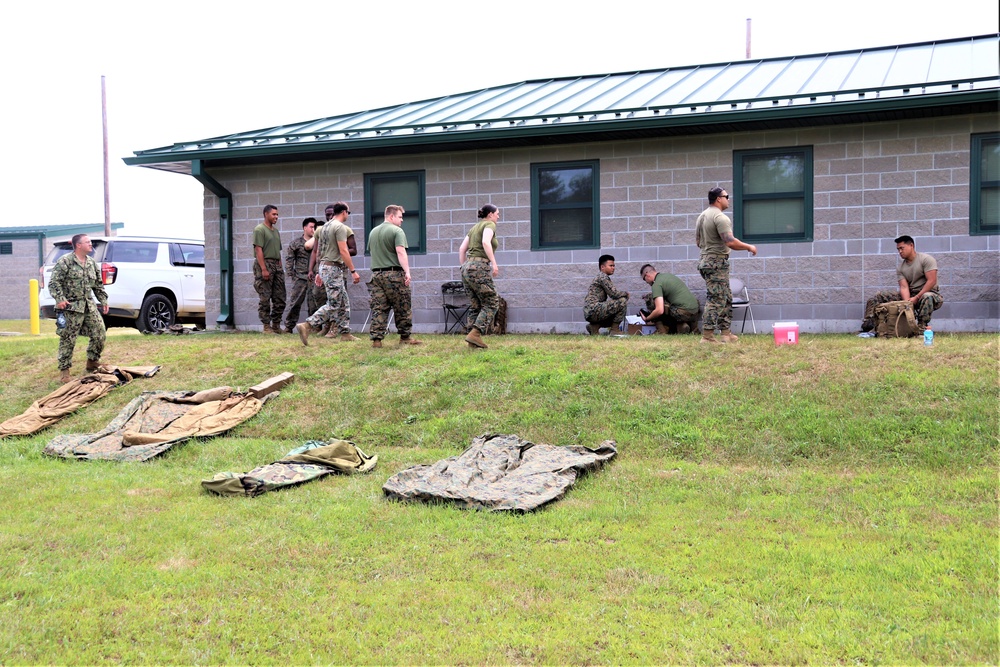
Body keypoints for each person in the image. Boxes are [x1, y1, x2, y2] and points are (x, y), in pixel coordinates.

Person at [694, 187, 757, 344]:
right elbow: (730, 242)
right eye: (726, 196)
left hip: (706, 261)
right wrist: (748, 247)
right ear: (718, 199)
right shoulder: (720, 217)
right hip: (716, 263)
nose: (728, 199)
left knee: (726, 297)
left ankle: (726, 334)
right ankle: (707, 336)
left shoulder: (701, 217)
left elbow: (698, 242)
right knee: (716, 298)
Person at [296, 202, 360, 345]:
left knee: (344, 301)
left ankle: (345, 333)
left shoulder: (322, 228)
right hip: (333, 268)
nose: (348, 215)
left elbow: (318, 251)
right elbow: (344, 251)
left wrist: (319, 271)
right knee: (334, 303)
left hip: (325, 267)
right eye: (348, 213)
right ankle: (307, 325)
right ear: (343, 212)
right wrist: (353, 271)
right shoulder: (340, 227)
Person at [48, 234, 109, 383]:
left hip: (88, 305)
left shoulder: (92, 263)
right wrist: (60, 299)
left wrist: (103, 300)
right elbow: (54, 283)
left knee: (100, 333)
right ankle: (64, 371)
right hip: (71, 307)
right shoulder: (65, 262)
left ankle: (92, 362)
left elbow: (98, 285)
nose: (90, 244)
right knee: (68, 339)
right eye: (87, 242)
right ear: (78, 245)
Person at [365, 204, 422, 348]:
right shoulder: (397, 231)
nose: (402, 220)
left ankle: (377, 340)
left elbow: (372, 252)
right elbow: (401, 252)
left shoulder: (373, 232)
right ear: (391, 216)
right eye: (400, 217)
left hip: (376, 275)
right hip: (394, 274)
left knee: (379, 307)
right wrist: (407, 272)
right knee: (402, 305)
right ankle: (405, 337)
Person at [862, 235, 943, 332]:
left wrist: (917, 297)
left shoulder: (926, 259)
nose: (900, 251)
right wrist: (907, 303)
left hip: (930, 294)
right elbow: (904, 287)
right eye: (898, 249)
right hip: (911, 295)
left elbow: (931, 281)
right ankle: (870, 326)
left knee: (927, 296)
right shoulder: (900, 267)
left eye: (902, 248)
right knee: (878, 296)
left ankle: (921, 328)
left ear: (911, 246)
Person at [458, 204, 502, 349]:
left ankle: (472, 340)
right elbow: (485, 242)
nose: (498, 216)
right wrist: (494, 264)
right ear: (490, 214)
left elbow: (462, 249)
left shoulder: (473, 228)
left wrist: (465, 266)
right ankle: (475, 334)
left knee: (476, 304)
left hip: (466, 267)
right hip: (479, 266)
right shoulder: (489, 224)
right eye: (497, 213)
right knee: (492, 301)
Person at [252, 204, 286, 333]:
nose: (276, 216)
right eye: (274, 214)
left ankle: (276, 325)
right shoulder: (259, 229)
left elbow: (278, 251)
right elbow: (258, 249)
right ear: (266, 214)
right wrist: (264, 269)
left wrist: (280, 266)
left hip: (276, 265)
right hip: (264, 264)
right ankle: (266, 326)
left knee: (280, 297)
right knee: (265, 297)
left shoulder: (275, 231)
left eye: (277, 214)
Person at [639, 264, 699, 334]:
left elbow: (659, 310)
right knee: (668, 305)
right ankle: (683, 327)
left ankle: (662, 331)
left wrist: (647, 318)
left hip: (683, 313)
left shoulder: (656, 284)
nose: (646, 282)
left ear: (647, 274)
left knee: (652, 301)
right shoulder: (668, 276)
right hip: (695, 311)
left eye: (644, 279)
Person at [282, 217, 316, 333]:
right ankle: (289, 327)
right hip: (300, 277)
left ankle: (313, 327)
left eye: (314, 227)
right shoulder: (296, 243)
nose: (313, 229)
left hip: (314, 277)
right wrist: (291, 274)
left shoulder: (317, 242)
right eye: (311, 227)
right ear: (304, 228)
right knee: (295, 303)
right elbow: (289, 259)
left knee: (314, 304)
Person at [583, 254, 629, 335]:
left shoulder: (601, 277)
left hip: (591, 311)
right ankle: (615, 330)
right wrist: (626, 294)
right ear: (602, 267)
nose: (613, 268)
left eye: (614, 266)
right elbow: (614, 294)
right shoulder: (602, 277)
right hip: (594, 309)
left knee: (615, 310)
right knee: (622, 301)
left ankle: (594, 327)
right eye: (611, 265)